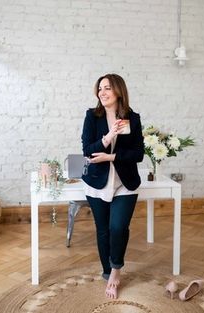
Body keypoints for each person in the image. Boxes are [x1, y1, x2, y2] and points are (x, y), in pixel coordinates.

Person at [81, 73, 144, 299]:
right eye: (100, 89)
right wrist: (108, 137)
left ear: (118, 91)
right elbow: (87, 149)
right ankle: (107, 272)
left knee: (118, 228)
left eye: (107, 88)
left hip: (125, 183)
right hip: (97, 183)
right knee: (103, 230)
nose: (102, 92)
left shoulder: (132, 118)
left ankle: (116, 270)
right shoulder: (92, 116)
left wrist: (112, 157)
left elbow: (138, 154)